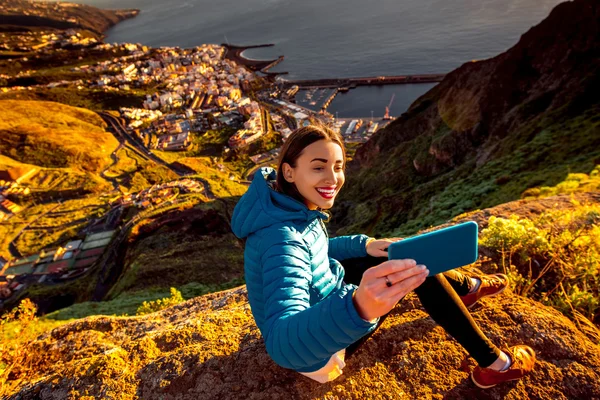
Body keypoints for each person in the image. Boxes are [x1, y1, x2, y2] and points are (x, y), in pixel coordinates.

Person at [230, 124, 535, 388]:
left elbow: (314, 250)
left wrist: (365, 245)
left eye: (338, 167)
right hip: (320, 352)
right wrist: (358, 307)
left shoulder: (282, 206)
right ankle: (496, 365)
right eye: (319, 167)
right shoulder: (281, 240)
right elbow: (283, 346)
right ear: (289, 171)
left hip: (321, 301)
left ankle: (466, 287)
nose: (333, 178)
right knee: (414, 271)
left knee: (398, 255)